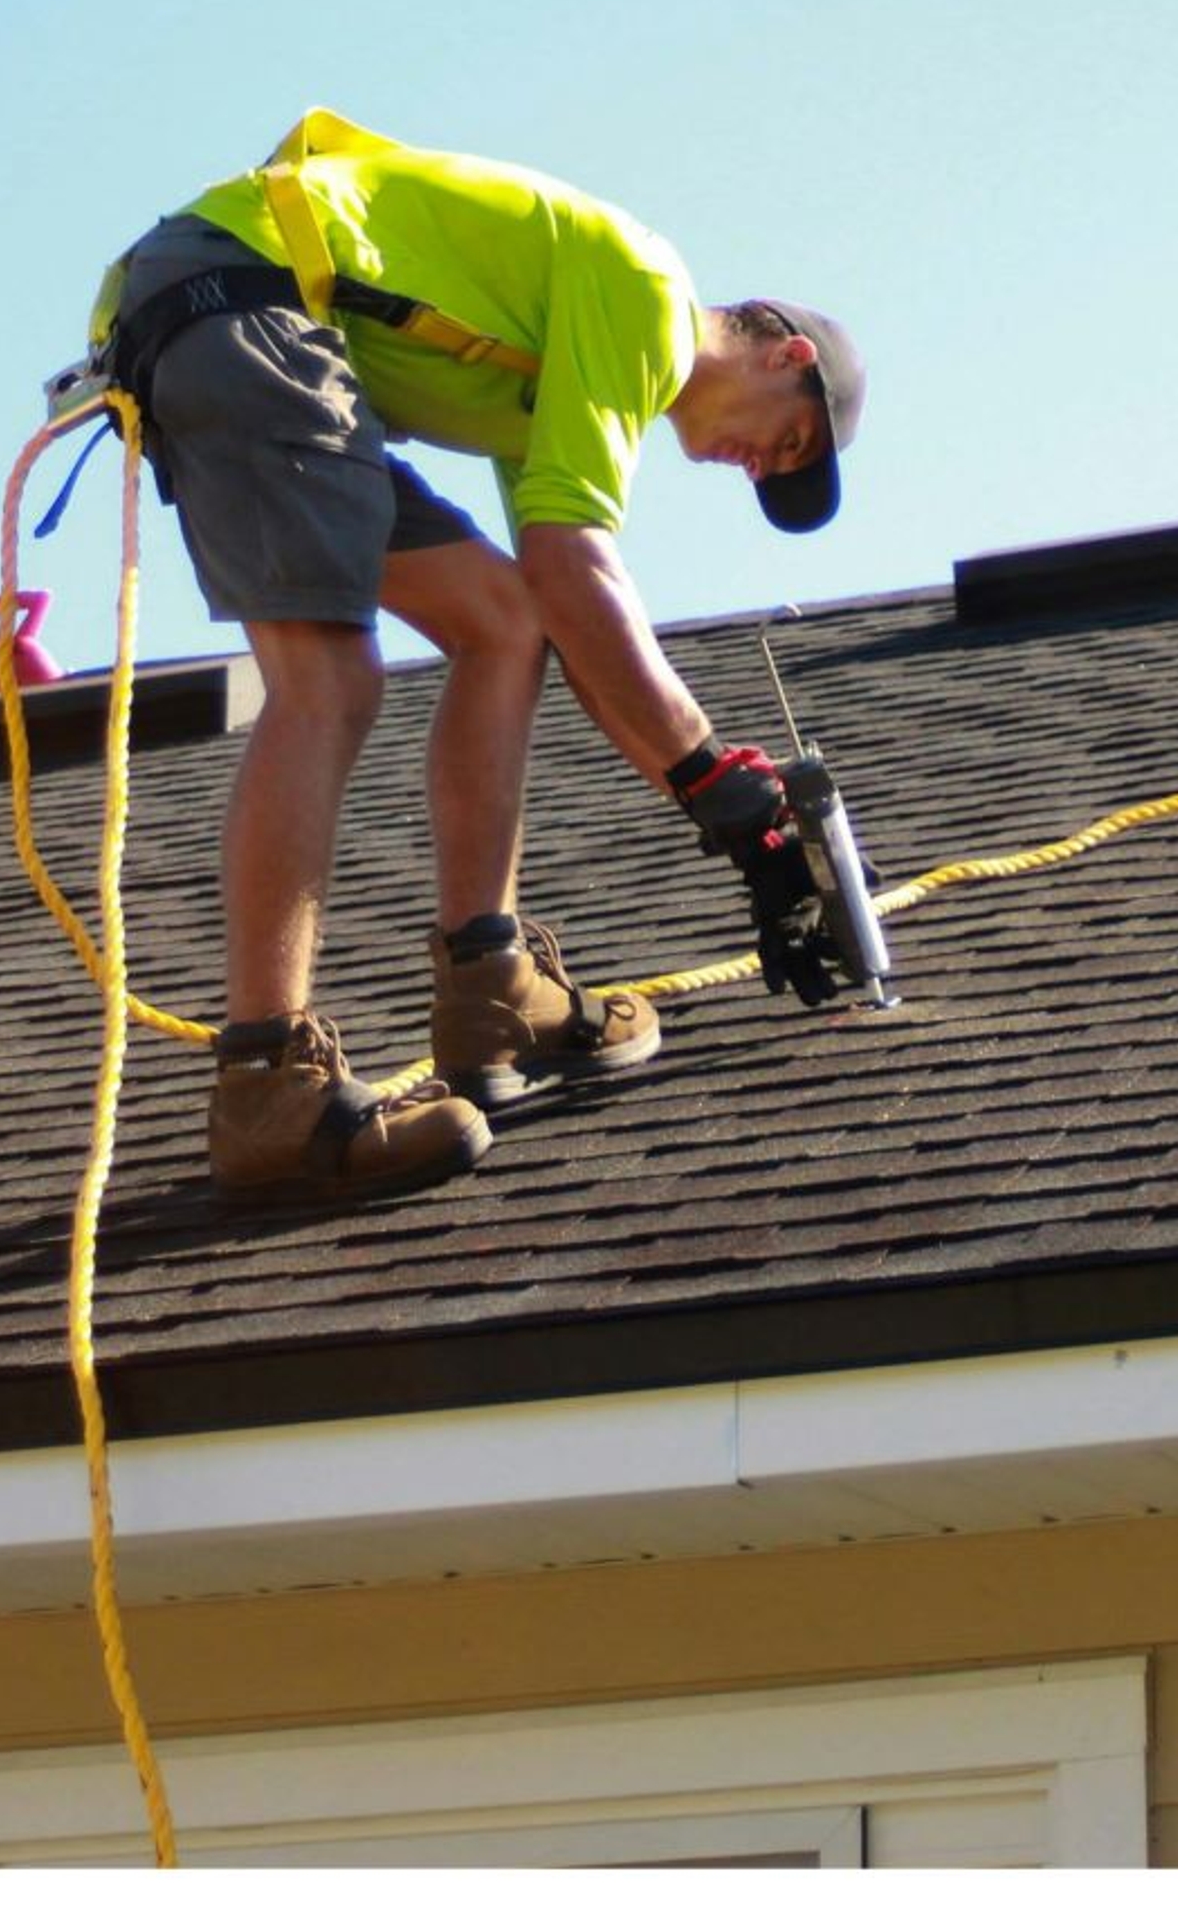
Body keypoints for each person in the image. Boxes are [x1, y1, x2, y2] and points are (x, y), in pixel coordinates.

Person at [64, 110, 867, 1212]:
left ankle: (489, 986)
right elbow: (581, 567)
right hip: (239, 308)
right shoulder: (647, 294)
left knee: (500, 622)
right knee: (330, 683)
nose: (754, 464)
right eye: (785, 439)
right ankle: (266, 1090)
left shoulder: (568, 374)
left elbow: (558, 601)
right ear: (790, 354)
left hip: (243, 323)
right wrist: (715, 783)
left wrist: (714, 796)